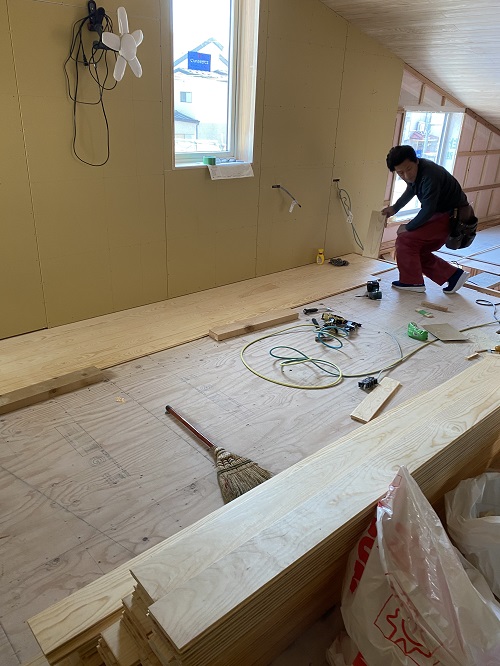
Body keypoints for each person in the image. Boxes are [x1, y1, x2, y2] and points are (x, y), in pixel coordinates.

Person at [381, 145, 473, 294]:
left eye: (408, 169)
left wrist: (408, 227)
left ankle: (411, 282)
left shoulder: (430, 175)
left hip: (452, 215)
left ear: (416, 161)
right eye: (400, 173)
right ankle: (453, 275)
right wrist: (394, 208)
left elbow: (428, 209)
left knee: (406, 240)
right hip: (441, 213)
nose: (406, 176)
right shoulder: (415, 172)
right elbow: (411, 188)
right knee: (415, 250)